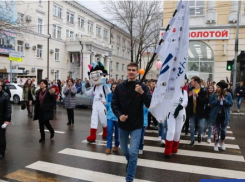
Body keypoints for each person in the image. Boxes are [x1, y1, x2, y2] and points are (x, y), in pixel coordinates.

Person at [111, 62, 151, 182]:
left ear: (137, 72)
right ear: (127, 71)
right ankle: (130, 162)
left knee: (134, 153)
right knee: (124, 150)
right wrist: (119, 116)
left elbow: (149, 103)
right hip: (123, 124)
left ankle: (129, 178)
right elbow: (114, 104)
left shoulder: (142, 87)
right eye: (129, 70)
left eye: (134, 70)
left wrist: (141, 93)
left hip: (136, 125)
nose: (131, 72)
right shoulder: (120, 87)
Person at [83, 62, 111, 142]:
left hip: (103, 105)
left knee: (103, 120)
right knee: (93, 119)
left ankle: (105, 131)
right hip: (95, 105)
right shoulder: (95, 87)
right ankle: (92, 135)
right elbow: (88, 93)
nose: (95, 77)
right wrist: (84, 90)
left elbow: (109, 93)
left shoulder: (104, 86)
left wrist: (106, 86)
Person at [164, 80, 188, 157]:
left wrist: (179, 108)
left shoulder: (184, 92)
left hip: (181, 115)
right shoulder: (170, 91)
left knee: (177, 132)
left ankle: (174, 147)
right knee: (171, 131)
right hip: (171, 114)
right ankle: (168, 150)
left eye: (184, 79)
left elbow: (185, 102)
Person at [209, 81, 233, 151]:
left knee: (223, 131)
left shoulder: (228, 95)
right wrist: (217, 100)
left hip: (224, 115)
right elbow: (210, 103)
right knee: (216, 131)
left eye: (218, 87)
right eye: (217, 86)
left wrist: (225, 100)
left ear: (222, 88)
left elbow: (230, 104)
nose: (217, 88)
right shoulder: (214, 95)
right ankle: (216, 143)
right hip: (216, 115)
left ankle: (222, 142)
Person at [187, 76, 207, 146]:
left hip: (200, 112)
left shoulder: (203, 90)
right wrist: (189, 97)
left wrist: (197, 96)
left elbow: (204, 101)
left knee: (201, 126)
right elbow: (188, 102)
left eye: (192, 81)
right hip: (192, 112)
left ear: (196, 82)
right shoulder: (190, 89)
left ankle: (199, 134)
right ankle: (192, 140)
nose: (191, 82)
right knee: (191, 126)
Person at [105, 83, 120, 155]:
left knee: (117, 132)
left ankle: (116, 145)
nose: (114, 88)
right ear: (111, 88)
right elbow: (106, 104)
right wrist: (109, 104)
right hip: (110, 116)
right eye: (113, 87)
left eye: (115, 87)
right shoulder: (109, 95)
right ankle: (108, 147)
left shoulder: (120, 96)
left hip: (117, 117)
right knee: (109, 131)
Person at [0, 81, 11, 159]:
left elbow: (8, 108)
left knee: (1, 137)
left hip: (1, 119)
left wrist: (7, 120)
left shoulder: (5, 95)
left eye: (0, 85)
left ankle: (2, 152)